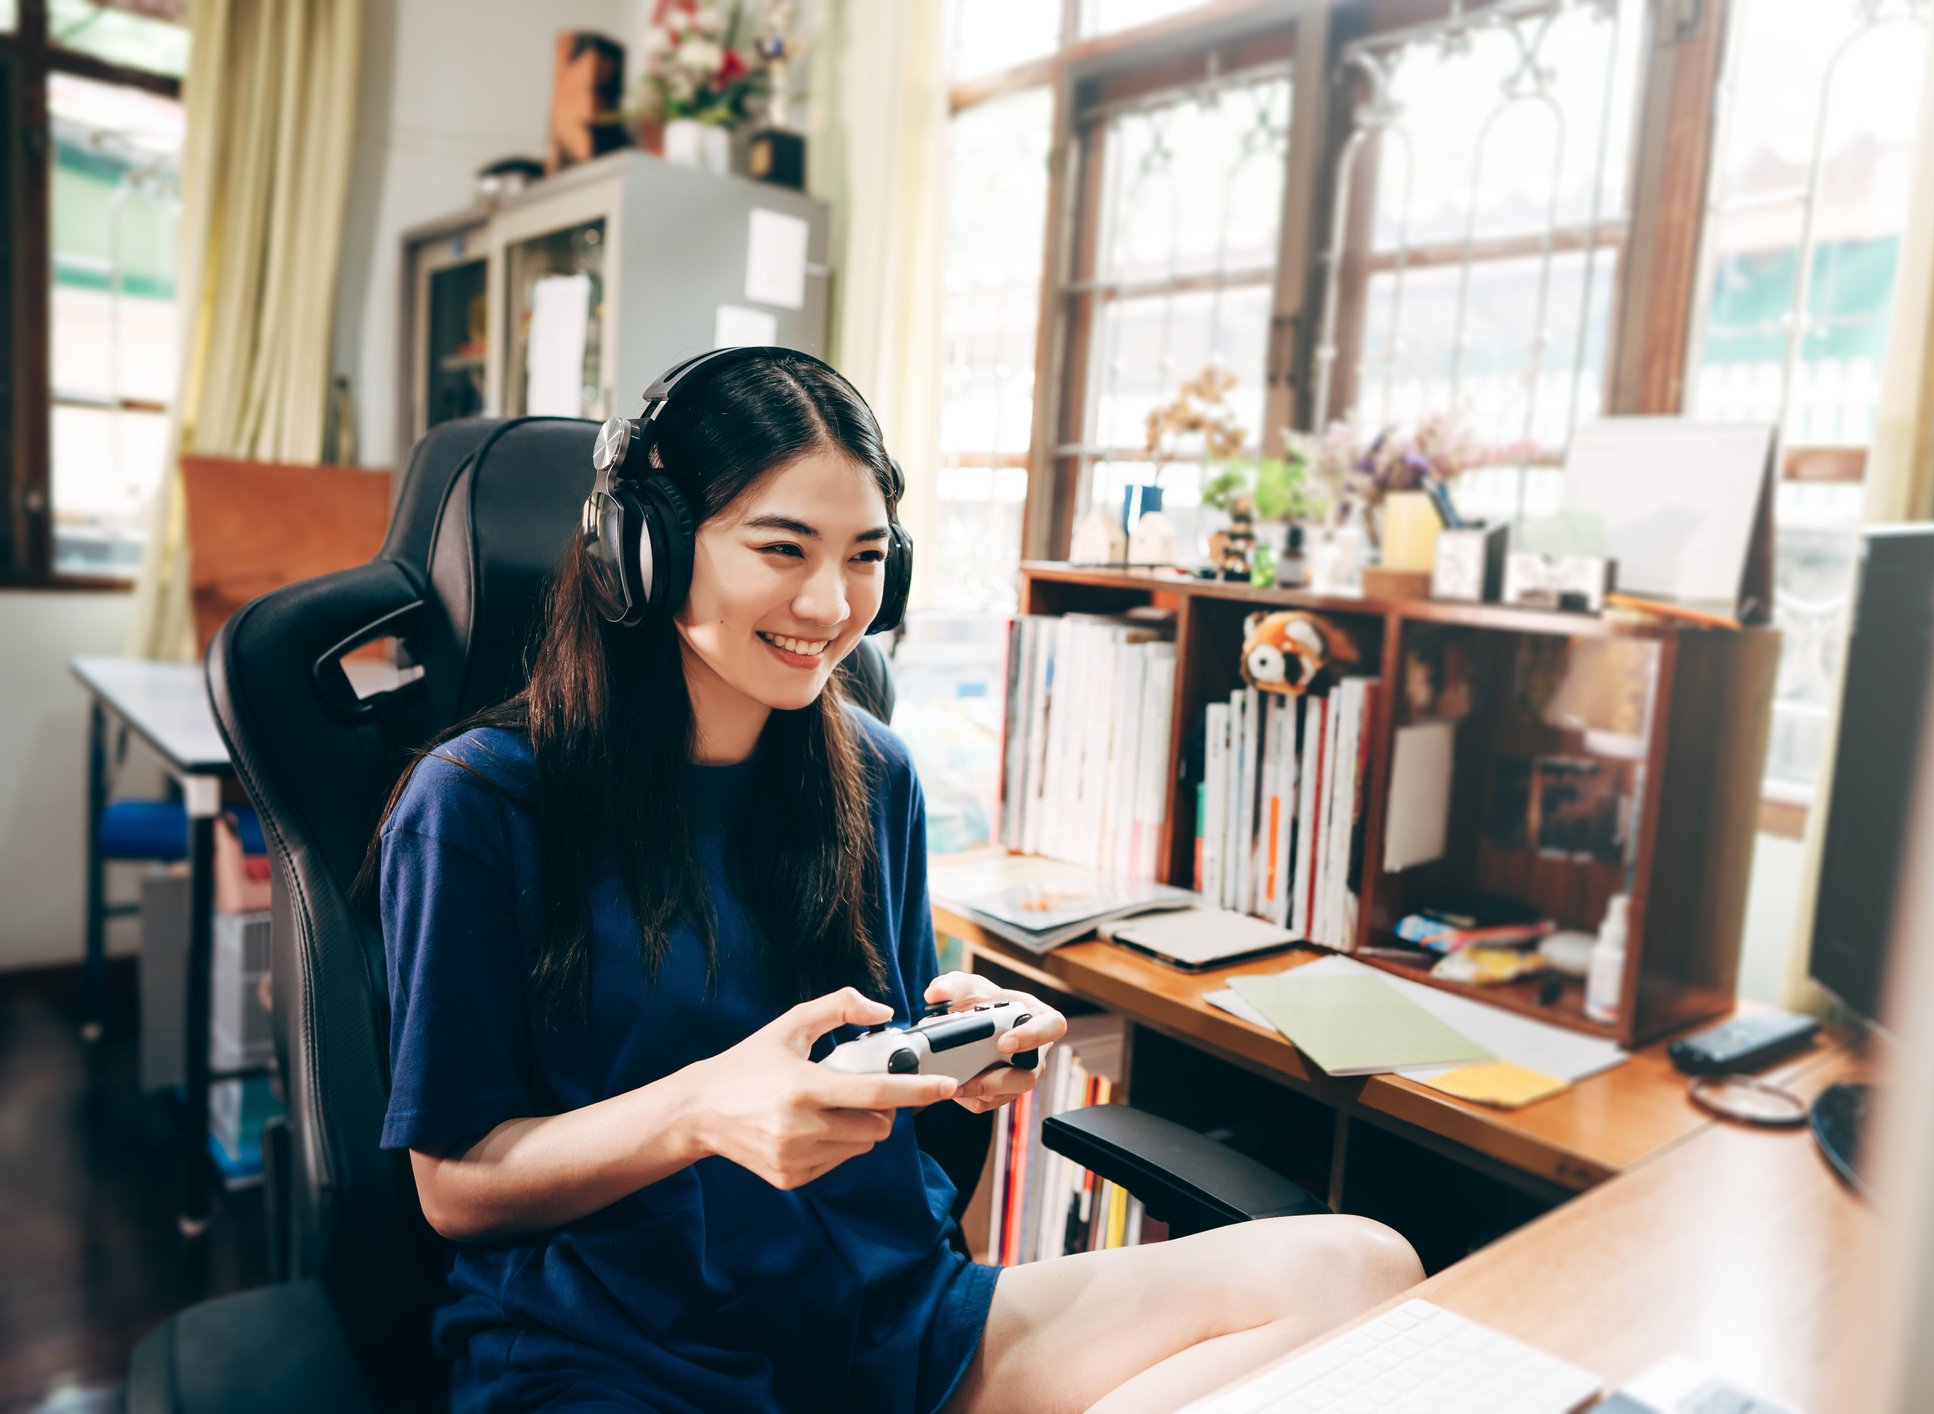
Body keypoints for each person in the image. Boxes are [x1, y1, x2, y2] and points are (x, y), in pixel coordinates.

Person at [367, 349, 1423, 1412]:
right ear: (643, 548)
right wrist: (699, 1110)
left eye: (865, 556)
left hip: (883, 1321)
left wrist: (964, 1056)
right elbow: (456, 1188)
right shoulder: (476, 803)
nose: (830, 604)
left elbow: (890, 1058)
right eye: (782, 547)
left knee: (1364, 1272)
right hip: (617, 1351)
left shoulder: (874, 772)